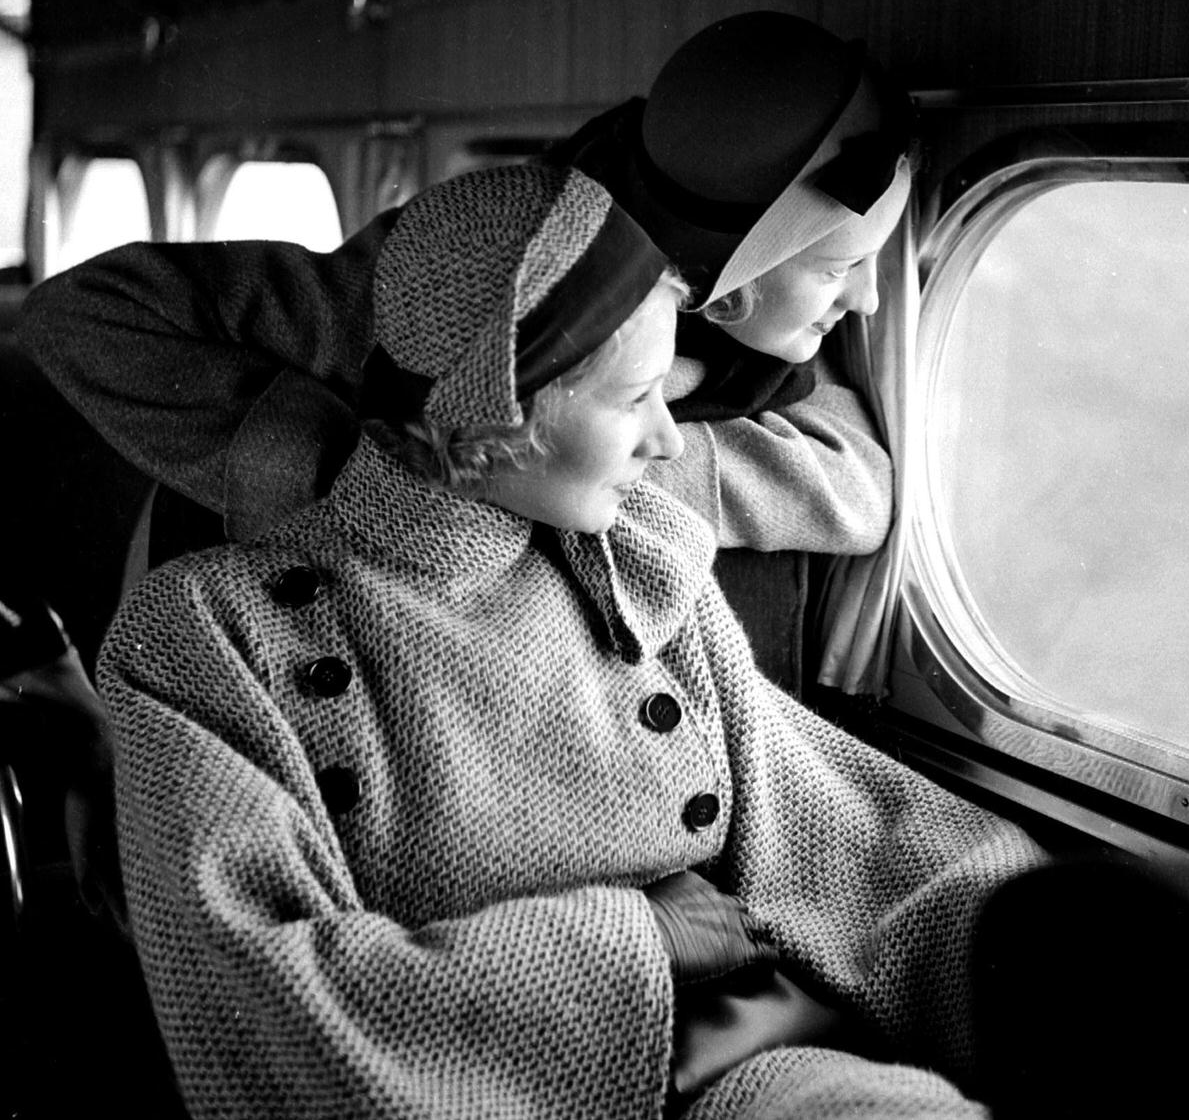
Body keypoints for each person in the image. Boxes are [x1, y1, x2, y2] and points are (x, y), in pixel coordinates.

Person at [96, 161, 1044, 1119]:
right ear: (493, 418)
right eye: (635, 400)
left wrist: (1047, 936)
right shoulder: (203, 637)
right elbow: (271, 1011)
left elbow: (843, 836)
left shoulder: (640, 574)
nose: (671, 443)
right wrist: (642, 940)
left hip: (752, 1074)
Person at [17, 12, 909, 571]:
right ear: (731, 287)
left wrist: (622, 476)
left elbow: (859, 491)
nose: (868, 303)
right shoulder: (476, 272)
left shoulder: (762, 353)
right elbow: (80, 315)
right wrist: (338, 462)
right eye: (837, 270)